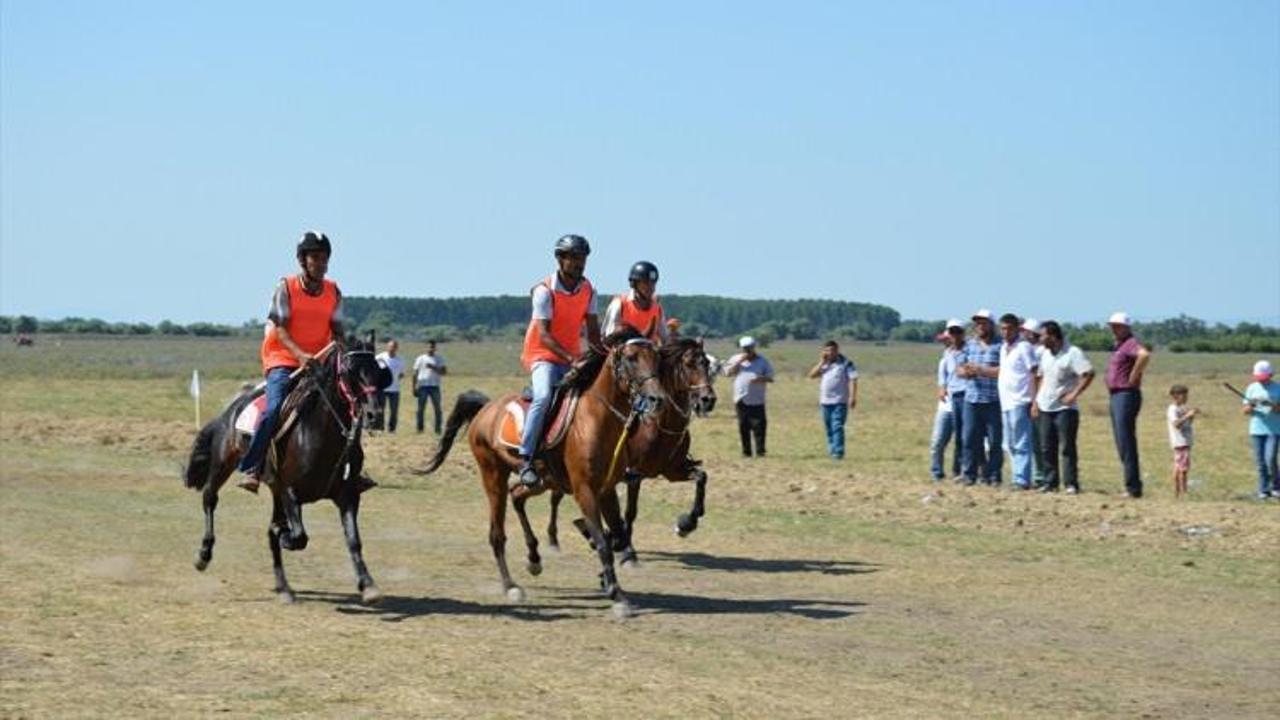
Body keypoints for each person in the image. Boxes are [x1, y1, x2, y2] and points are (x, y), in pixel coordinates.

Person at [238, 231, 346, 493]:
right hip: (284, 359)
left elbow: (338, 329)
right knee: (274, 408)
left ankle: (352, 469)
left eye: (325, 258)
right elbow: (281, 330)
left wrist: (341, 348)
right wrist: (300, 356)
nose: (321, 263)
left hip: (320, 362)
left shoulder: (333, 291)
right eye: (315, 258)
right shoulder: (286, 287)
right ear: (302, 260)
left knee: (347, 403)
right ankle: (254, 466)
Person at [516, 234, 601, 488]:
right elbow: (543, 334)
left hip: (572, 356)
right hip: (542, 355)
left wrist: (602, 356)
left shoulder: (588, 290)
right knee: (543, 396)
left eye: (583, 258)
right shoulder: (545, 291)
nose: (579, 263)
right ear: (560, 259)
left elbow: (594, 333)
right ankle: (526, 458)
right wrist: (570, 359)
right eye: (574, 258)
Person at [1032, 321, 1094, 494]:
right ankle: (1050, 482)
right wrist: (1036, 402)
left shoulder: (1072, 353)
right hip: (1045, 406)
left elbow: (1088, 374)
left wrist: (1073, 394)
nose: (1040, 339)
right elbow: (1041, 378)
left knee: (1067, 447)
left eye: (1042, 335)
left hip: (1065, 409)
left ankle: (1070, 484)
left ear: (1052, 336)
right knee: (1046, 446)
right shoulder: (1044, 354)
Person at [1105, 312, 1152, 498]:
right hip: (1116, 395)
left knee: (1126, 441)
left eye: (1117, 326)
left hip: (1125, 394)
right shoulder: (1120, 345)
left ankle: (1133, 487)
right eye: (1112, 326)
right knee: (1121, 441)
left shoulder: (1130, 343)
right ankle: (1130, 484)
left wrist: (1134, 375)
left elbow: (1144, 355)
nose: (1114, 330)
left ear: (1126, 327)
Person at [956, 309, 1003, 486]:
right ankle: (969, 474)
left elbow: (1004, 371)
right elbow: (959, 368)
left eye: (984, 323)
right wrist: (965, 372)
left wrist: (981, 370)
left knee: (994, 441)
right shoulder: (970, 345)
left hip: (993, 400)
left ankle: (993, 476)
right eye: (977, 323)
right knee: (968, 438)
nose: (980, 326)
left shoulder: (1000, 345)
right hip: (972, 398)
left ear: (991, 324)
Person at [997, 313, 1038, 490]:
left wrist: (1035, 400)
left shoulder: (1024, 347)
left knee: (1021, 441)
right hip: (1006, 400)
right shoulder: (1003, 348)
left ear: (1017, 329)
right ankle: (1017, 476)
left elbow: (1034, 373)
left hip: (1021, 400)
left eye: (1008, 328)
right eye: (1003, 328)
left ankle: (1022, 479)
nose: (1005, 332)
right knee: (1010, 442)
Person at [807, 339, 859, 460]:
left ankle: (838, 452)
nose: (830, 353)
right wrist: (821, 362)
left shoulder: (846, 363)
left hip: (839, 401)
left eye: (832, 350)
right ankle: (832, 450)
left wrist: (853, 396)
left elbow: (853, 379)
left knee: (837, 425)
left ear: (837, 350)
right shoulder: (825, 364)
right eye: (827, 350)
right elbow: (811, 375)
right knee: (829, 427)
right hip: (825, 401)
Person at [929, 319, 967, 481]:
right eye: (951, 332)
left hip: (964, 400)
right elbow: (943, 375)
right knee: (937, 441)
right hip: (946, 404)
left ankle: (958, 472)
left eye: (957, 332)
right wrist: (942, 388)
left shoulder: (969, 351)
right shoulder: (946, 354)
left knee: (961, 440)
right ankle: (937, 472)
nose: (953, 336)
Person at [725, 336, 774, 457]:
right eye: (745, 349)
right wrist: (739, 362)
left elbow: (770, 377)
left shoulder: (762, 361)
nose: (747, 351)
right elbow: (728, 373)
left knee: (759, 426)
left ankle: (760, 451)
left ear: (754, 348)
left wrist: (761, 379)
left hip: (757, 399)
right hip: (741, 398)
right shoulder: (736, 359)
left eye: (749, 348)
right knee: (743, 426)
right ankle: (746, 452)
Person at [602, 261, 669, 343]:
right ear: (634, 284)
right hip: (622, 352)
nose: (651, 287)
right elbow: (609, 337)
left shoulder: (657, 309)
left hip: (648, 352)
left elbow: (665, 339)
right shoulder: (620, 304)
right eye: (646, 283)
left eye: (653, 283)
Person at [1241, 360, 1280, 499]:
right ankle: (1263, 489)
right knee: (1260, 461)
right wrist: (1251, 406)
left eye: (1264, 378)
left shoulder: (1278, 388)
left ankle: (1276, 486)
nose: (1262, 381)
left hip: (1274, 429)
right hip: (1257, 429)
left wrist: (1272, 405)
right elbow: (1245, 410)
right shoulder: (1252, 388)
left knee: (1270, 459)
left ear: (1271, 375)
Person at [1021, 318, 1047, 487]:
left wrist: (1035, 401)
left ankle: (1041, 476)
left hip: (1037, 400)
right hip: (1025, 398)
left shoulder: (1041, 351)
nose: (1022, 334)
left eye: (1025, 331)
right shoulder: (1025, 349)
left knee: (1038, 441)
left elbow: (1039, 377)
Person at [1166, 385, 1196, 499]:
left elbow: (1187, 423)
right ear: (1175, 396)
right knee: (1182, 468)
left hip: (1185, 440)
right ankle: (1182, 491)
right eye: (1184, 395)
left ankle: (1178, 492)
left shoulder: (1182, 408)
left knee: (1180, 466)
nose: (1186, 397)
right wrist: (1187, 416)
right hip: (1180, 442)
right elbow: (1176, 424)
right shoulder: (1172, 409)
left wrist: (1191, 416)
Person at [412, 339, 447, 435]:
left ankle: (438, 429)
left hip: (434, 386)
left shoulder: (439, 359)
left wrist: (434, 367)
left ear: (435, 348)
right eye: (429, 346)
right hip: (423, 386)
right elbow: (415, 373)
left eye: (433, 346)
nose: (431, 348)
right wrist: (414, 387)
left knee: (437, 409)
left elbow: (444, 372)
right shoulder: (420, 358)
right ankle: (420, 429)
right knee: (420, 409)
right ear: (426, 347)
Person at [374, 339, 405, 433]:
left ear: (397, 348)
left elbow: (401, 374)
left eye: (394, 347)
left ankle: (392, 429)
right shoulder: (380, 358)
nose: (392, 348)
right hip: (382, 389)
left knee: (394, 411)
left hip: (395, 390)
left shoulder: (400, 360)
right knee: (381, 410)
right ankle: (380, 427)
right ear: (387, 347)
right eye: (391, 346)